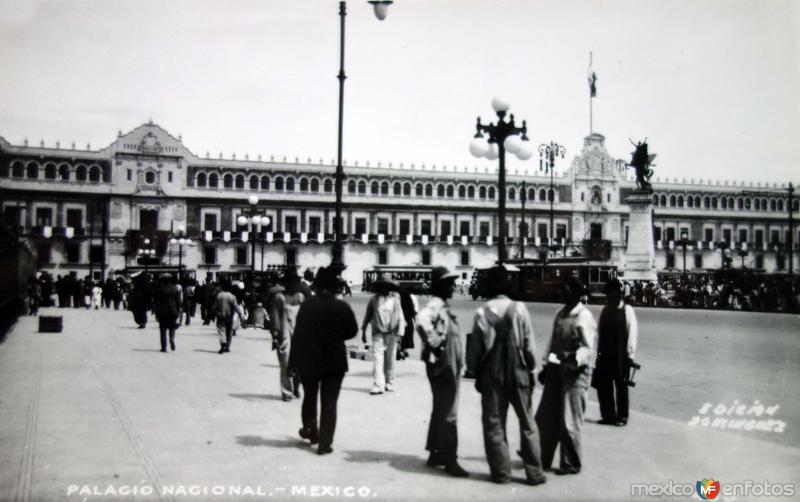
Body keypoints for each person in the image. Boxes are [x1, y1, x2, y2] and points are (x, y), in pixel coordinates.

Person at [469, 265, 546, 486]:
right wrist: (532, 369)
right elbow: (529, 344)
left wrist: (476, 373)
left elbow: (476, 349)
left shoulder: (482, 312)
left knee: (494, 423)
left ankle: (501, 473)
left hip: (492, 374)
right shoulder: (519, 308)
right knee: (527, 422)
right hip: (519, 370)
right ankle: (534, 473)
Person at [288, 267, 358, 455]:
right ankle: (325, 444)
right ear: (335, 288)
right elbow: (352, 331)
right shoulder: (342, 307)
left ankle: (311, 430)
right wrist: (337, 336)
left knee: (310, 396)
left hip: (310, 360)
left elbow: (298, 335)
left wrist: (292, 363)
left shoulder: (308, 306)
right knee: (330, 402)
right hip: (335, 361)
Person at [535, 276, 597, 475]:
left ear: (576, 292)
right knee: (547, 416)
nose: (562, 292)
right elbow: (552, 344)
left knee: (570, 420)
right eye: (561, 288)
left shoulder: (584, 317)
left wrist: (572, 356)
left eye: (566, 289)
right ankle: (542, 457)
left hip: (575, 373)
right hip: (556, 371)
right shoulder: (560, 314)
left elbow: (587, 348)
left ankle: (570, 462)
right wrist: (545, 366)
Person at [416, 266, 468, 477]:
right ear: (440, 286)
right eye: (449, 283)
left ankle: (435, 452)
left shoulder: (443, 306)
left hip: (446, 365)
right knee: (449, 413)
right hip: (444, 366)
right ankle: (450, 460)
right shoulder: (436, 305)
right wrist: (436, 344)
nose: (453, 287)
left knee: (440, 409)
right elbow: (421, 320)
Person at [592, 278, 638, 426]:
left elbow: (632, 333)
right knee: (604, 386)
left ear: (619, 295)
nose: (611, 298)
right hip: (605, 353)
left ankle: (622, 417)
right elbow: (599, 333)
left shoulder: (627, 310)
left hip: (620, 355)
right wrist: (598, 354)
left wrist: (630, 355)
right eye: (609, 296)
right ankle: (608, 415)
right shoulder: (604, 310)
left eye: (614, 295)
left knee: (621, 387)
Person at [361, 279, 405, 394]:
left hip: (392, 332)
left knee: (390, 359)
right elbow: (367, 316)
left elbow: (400, 316)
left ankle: (389, 382)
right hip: (378, 332)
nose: (385, 291)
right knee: (378, 358)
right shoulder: (374, 300)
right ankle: (378, 384)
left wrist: (400, 333)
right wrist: (363, 331)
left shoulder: (395, 299)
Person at [271, 267, 306, 401]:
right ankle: (286, 391)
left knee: (300, 361)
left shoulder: (300, 297)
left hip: (299, 332)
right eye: (290, 282)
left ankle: (296, 387)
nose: (293, 285)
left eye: (294, 282)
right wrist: (275, 334)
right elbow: (275, 318)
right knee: (285, 361)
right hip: (284, 333)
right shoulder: (279, 298)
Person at [214, 279, 245, 354]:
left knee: (221, 330)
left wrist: (213, 314)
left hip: (220, 315)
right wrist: (240, 314)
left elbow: (214, 306)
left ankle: (223, 343)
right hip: (229, 315)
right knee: (229, 331)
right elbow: (235, 307)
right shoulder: (232, 296)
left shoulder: (219, 295)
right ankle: (227, 346)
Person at [153, 274, 181, 352]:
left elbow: (157, 302)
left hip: (163, 311)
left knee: (163, 329)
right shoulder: (175, 288)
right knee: (172, 327)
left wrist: (156, 312)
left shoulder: (160, 289)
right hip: (173, 311)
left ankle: (164, 347)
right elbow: (178, 301)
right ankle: (171, 338)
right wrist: (178, 311)